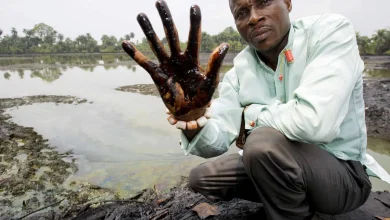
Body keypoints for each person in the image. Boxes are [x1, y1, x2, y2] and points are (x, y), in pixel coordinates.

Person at [122, 0, 390, 219]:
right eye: (241, 12)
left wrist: (249, 115)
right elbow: (215, 141)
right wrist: (193, 117)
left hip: (343, 175)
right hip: (282, 163)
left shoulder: (329, 32)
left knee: (260, 144)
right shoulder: (241, 69)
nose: (253, 17)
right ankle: (286, 194)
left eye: (263, 2)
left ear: (287, 3)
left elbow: (315, 123)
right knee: (202, 178)